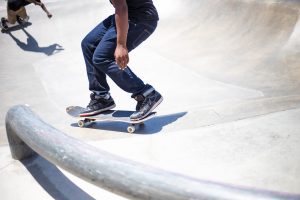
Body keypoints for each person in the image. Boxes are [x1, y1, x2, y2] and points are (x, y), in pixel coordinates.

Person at [80, 0, 163, 120]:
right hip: (128, 14)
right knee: (89, 44)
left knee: (102, 57)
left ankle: (147, 94)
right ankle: (101, 97)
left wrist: (121, 45)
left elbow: (121, 7)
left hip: (141, 18)